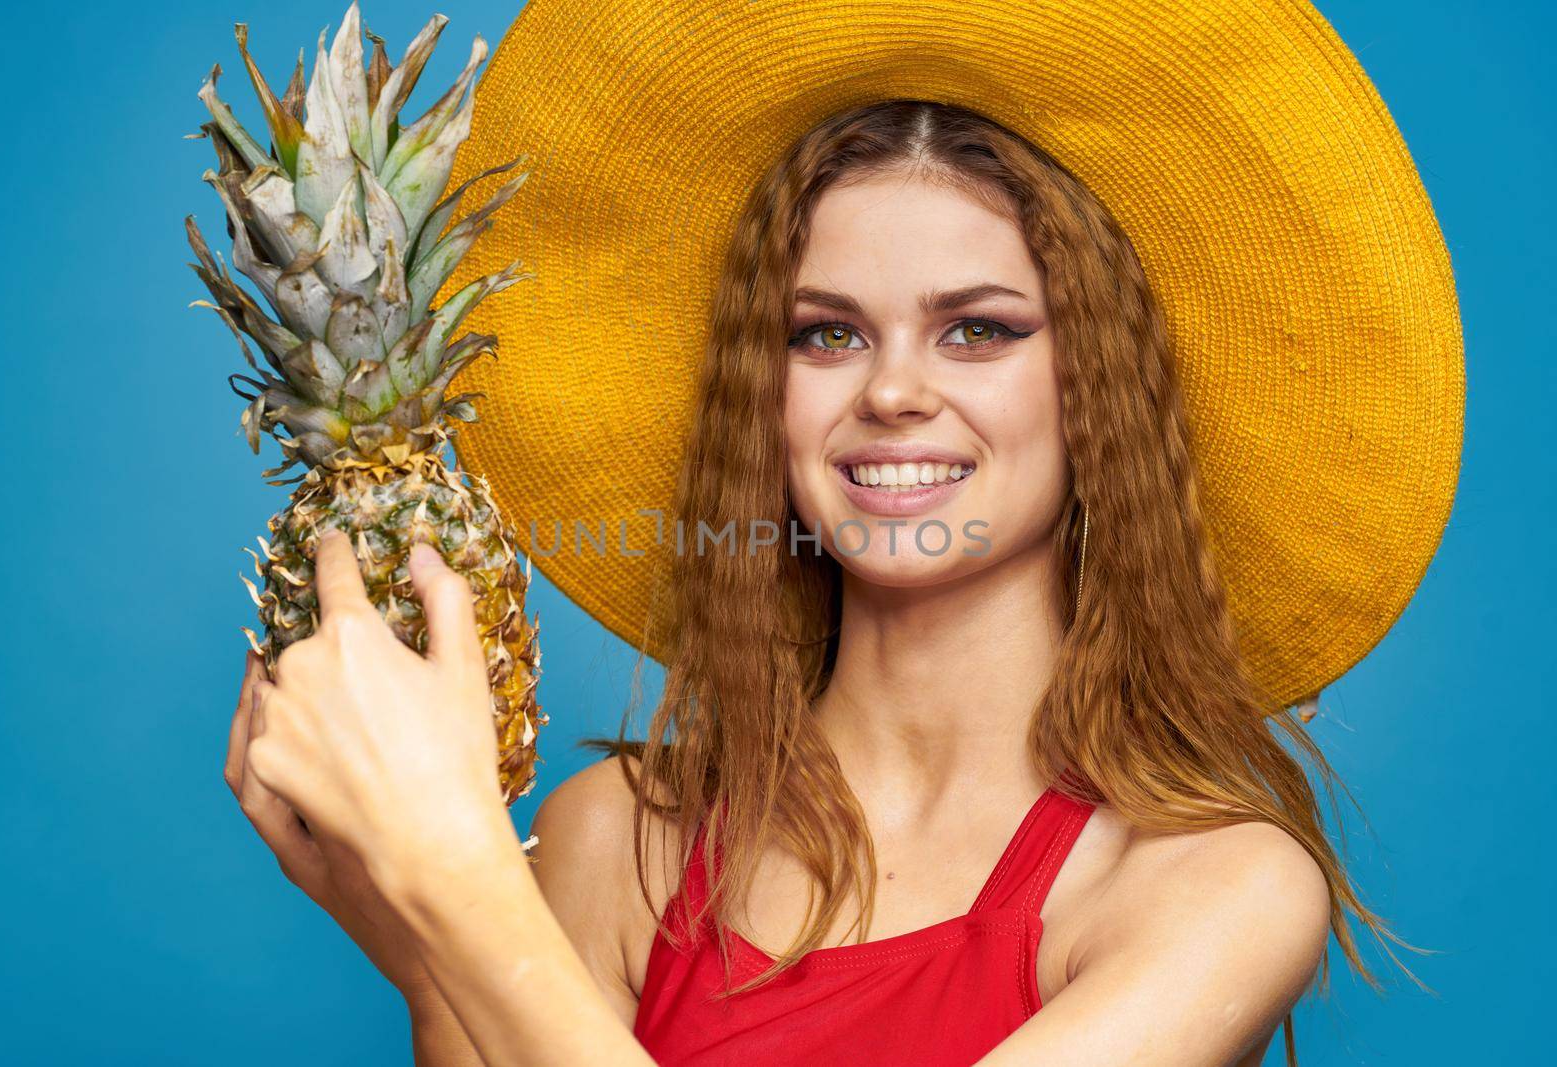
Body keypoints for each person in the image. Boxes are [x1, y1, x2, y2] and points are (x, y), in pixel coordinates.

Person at [223, 2, 1463, 1065]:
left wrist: (455, 886)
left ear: (1098, 390)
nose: (891, 391)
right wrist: (427, 954)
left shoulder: (1213, 886)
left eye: (978, 328)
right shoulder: (615, 833)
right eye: (824, 332)